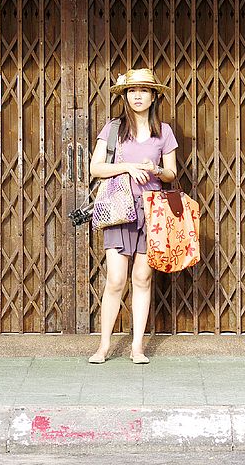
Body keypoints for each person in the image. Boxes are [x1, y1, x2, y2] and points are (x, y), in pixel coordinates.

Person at [88, 68, 178, 364]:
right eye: (131, 91)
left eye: (143, 90)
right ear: (125, 96)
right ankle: (103, 346)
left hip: (152, 210)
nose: (137, 96)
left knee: (142, 277)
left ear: (154, 96)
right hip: (119, 209)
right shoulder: (113, 129)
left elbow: (171, 173)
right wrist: (127, 167)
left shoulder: (163, 131)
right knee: (115, 279)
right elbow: (95, 168)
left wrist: (155, 170)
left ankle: (137, 347)